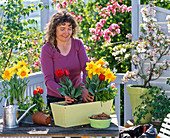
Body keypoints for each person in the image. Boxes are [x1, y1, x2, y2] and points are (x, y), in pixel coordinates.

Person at [40, 10, 93, 111]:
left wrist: (84, 88)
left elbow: (86, 69)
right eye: (62, 29)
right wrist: (65, 93)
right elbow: (49, 80)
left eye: (69, 28)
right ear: (54, 29)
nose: (66, 33)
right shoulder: (47, 49)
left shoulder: (78, 44)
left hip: (78, 96)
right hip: (57, 99)